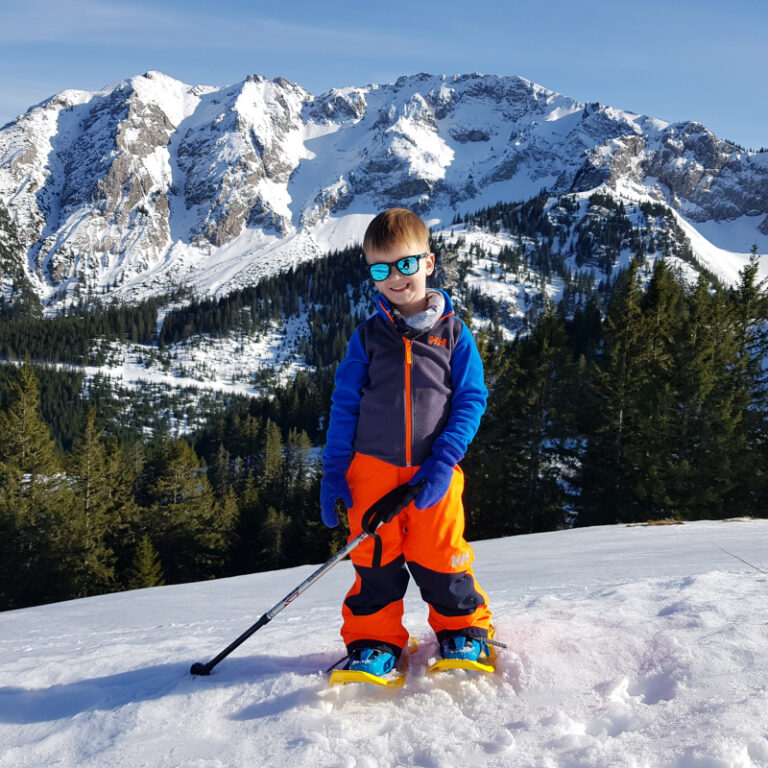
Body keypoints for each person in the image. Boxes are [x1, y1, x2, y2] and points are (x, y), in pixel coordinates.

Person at [320, 207, 492, 677]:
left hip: (433, 469)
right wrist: (335, 470)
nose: (395, 278)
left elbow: (471, 399)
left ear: (428, 263)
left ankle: (463, 631)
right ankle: (374, 640)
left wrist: (445, 459)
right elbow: (344, 404)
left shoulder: (454, 334)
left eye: (405, 264)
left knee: (441, 555)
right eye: (381, 270)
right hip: (370, 469)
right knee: (373, 557)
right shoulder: (367, 338)